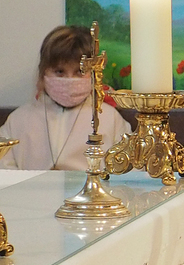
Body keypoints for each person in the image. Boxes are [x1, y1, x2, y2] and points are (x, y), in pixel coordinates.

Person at [0, 25, 130, 170]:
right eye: (60, 71)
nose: (69, 79)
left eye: (80, 72)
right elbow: (5, 171)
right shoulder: (17, 121)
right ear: (43, 73)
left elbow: (127, 171)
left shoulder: (111, 119)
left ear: (94, 74)